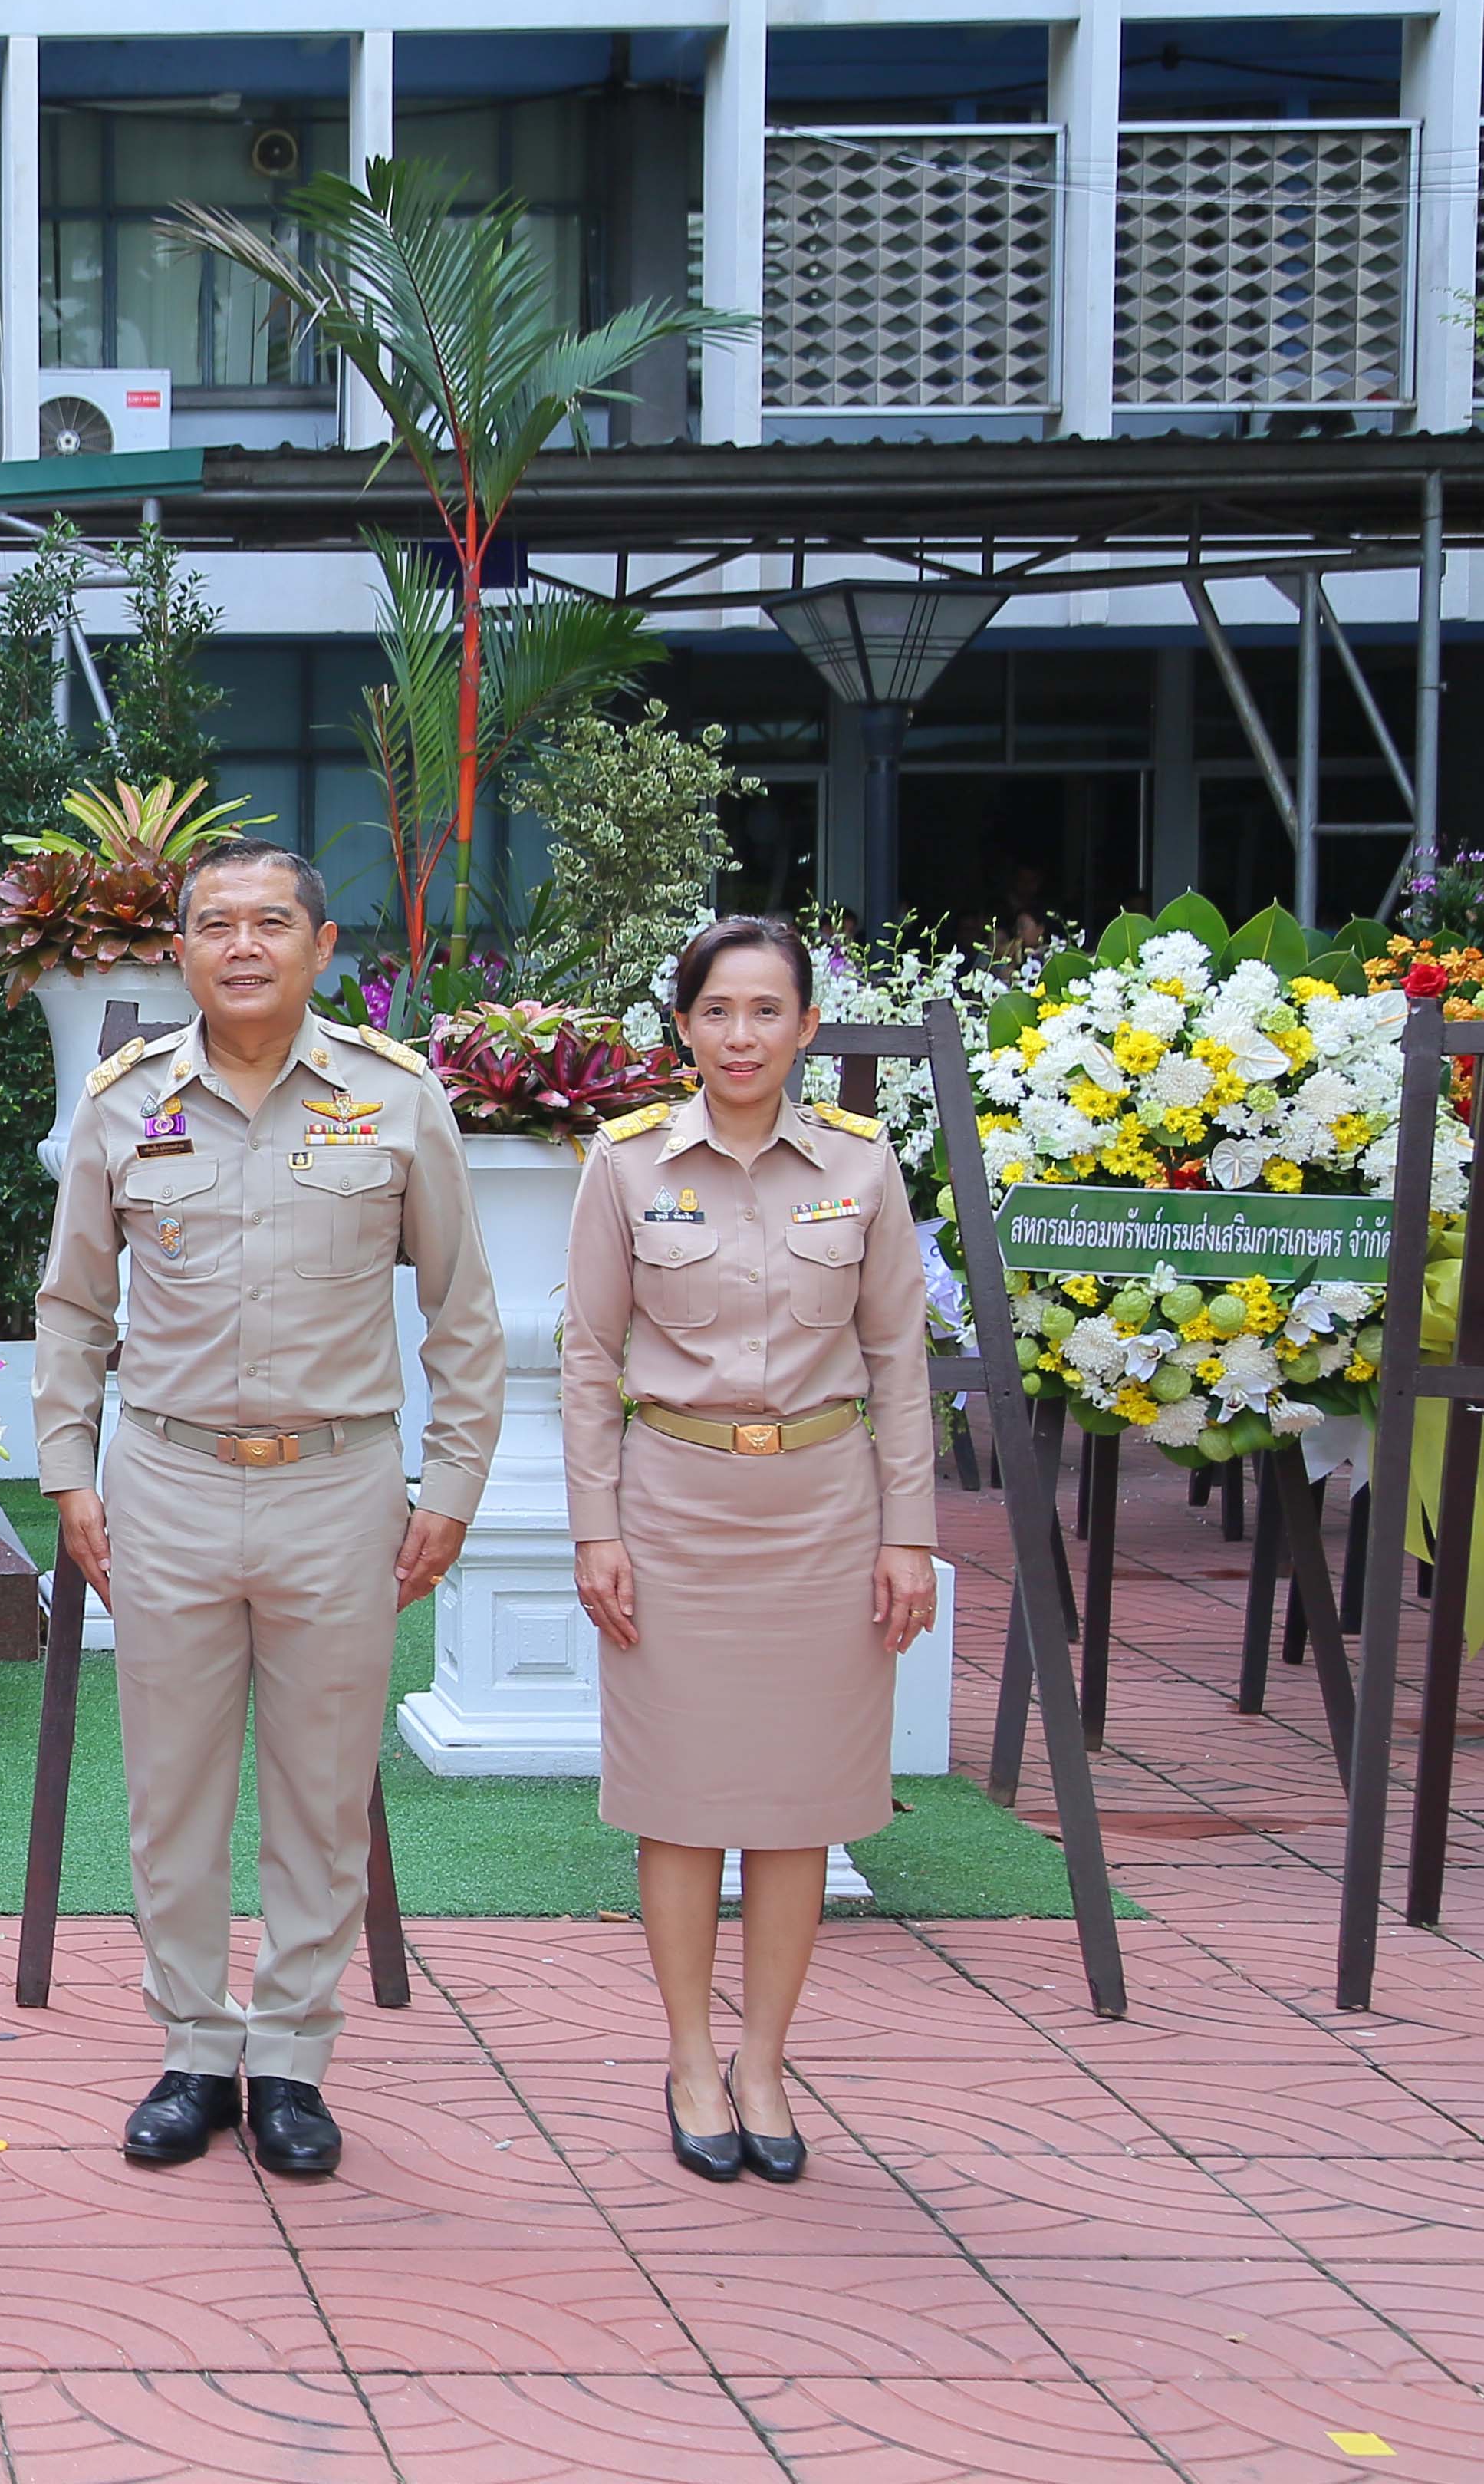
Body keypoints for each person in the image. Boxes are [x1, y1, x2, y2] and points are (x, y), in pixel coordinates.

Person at [33, 842, 503, 2180]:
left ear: (319, 943)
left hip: (338, 1484)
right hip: (167, 1483)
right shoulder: (125, 1104)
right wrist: (68, 1470)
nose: (242, 945)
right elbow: (71, 1309)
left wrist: (453, 1487)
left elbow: (462, 1312)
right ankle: (193, 2043)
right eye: (215, 924)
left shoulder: (397, 1101)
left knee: (320, 1785)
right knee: (170, 1789)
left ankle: (290, 2057)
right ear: (180, 951)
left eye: (269, 922)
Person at [564, 915, 938, 2186]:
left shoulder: (862, 1163)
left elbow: (897, 1360)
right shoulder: (623, 1164)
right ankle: (685, 2053)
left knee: (797, 1807)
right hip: (673, 1505)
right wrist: (595, 1525)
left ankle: (764, 2058)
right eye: (716, 1010)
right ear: (681, 1026)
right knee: (680, 1802)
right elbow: (584, 1357)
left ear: (805, 1028)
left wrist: (910, 1537)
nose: (740, 1036)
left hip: (826, 1512)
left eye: (766, 1011)